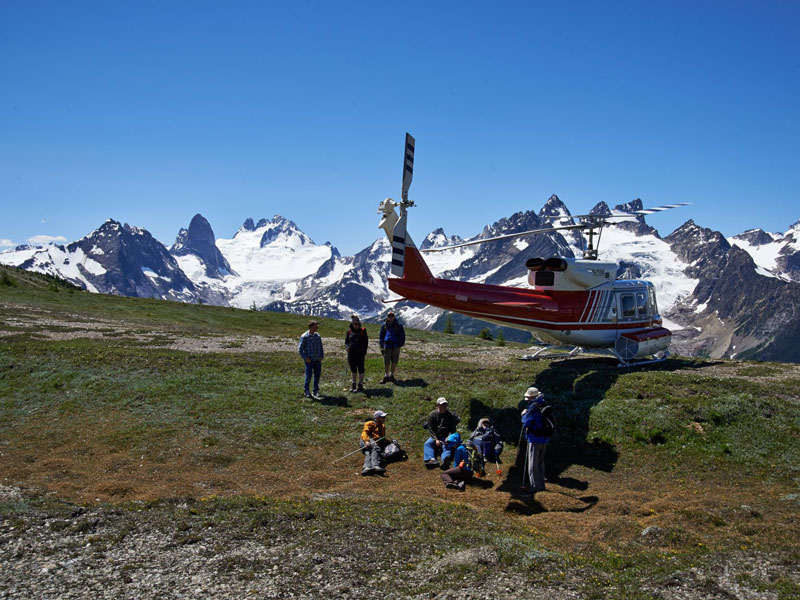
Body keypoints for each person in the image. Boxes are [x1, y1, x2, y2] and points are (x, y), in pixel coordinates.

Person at [520, 386, 551, 493]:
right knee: (540, 462)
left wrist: (523, 415)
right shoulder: (543, 403)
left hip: (534, 438)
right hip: (544, 438)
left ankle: (535, 486)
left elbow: (526, 421)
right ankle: (541, 484)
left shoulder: (533, 407)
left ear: (531, 397)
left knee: (532, 464)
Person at [422, 397, 460, 467]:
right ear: (438, 405)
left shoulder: (450, 415)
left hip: (446, 435)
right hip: (436, 436)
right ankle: (431, 459)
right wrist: (435, 439)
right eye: (442, 404)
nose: (444, 406)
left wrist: (449, 438)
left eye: (445, 404)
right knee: (427, 444)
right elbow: (430, 429)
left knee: (447, 446)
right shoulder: (432, 415)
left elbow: (453, 428)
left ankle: (445, 460)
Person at [298, 320, 324, 399]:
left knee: (317, 375)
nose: (317, 327)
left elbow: (320, 346)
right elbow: (300, 349)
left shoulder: (317, 336)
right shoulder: (304, 336)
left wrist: (321, 355)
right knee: (308, 375)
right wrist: (305, 358)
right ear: (311, 327)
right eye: (316, 326)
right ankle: (306, 390)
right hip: (309, 360)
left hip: (317, 359)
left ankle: (315, 390)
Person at [378, 312, 405, 383]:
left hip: (396, 346)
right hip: (387, 346)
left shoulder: (398, 325)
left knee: (394, 361)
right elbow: (381, 336)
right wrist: (381, 345)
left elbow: (402, 336)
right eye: (389, 316)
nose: (391, 317)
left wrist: (400, 345)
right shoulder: (384, 326)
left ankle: (392, 375)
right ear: (387, 317)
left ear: (394, 317)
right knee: (386, 362)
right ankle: (386, 375)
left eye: (392, 316)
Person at [360, 410, 389, 476]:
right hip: (366, 440)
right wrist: (366, 441)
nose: (385, 418)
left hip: (374, 442)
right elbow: (364, 433)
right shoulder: (370, 423)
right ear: (378, 417)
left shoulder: (382, 426)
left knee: (369, 453)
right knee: (375, 448)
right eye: (383, 417)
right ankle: (375, 466)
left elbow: (381, 437)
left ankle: (367, 468)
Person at [345, 314, 368, 392]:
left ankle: (360, 385)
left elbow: (366, 342)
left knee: (361, 369)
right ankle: (353, 384)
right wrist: (347, 347)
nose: (357, 325)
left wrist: (364, 351)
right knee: (353, 369)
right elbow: (346, 342)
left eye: (358, 324)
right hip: (351, 354)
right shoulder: (349, 332)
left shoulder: (363, 331)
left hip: (360, 353)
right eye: (355, 324)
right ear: (352, 323)